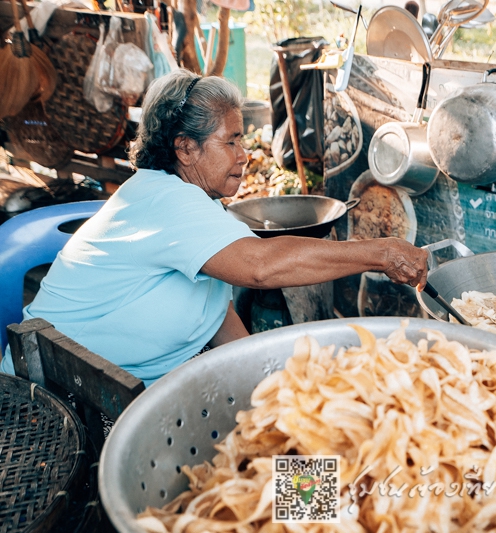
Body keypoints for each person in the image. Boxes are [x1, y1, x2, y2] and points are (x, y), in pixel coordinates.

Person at [0, 70, 428, 386]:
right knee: (284, 461)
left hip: (114, 384)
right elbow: (260, 266)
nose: (243, 155)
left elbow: (215, 313)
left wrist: (274, 381)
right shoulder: (166, 200)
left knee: (299, 436)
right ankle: (307, 504)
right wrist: (381, 252)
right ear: (185, 149)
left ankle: (308, 504)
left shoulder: (189, 204)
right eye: (232, 141)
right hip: (55, 391)